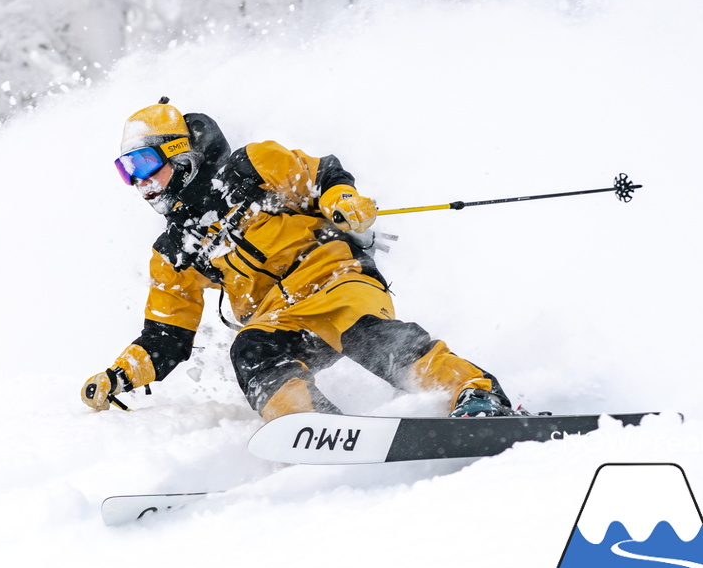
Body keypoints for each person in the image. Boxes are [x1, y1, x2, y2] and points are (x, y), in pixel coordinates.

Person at [80, 98, 513, 420]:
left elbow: (322, 175)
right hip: (281, 316)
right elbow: (166, 337)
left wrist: (343, 200)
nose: (140, 182)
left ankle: (475, 393)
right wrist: (119, 375)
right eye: (126, 171)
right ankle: (313, 425)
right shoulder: (175, 251)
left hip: (335, 278)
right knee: (251, 348)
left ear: (181, 155)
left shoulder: (249, 169)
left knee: (365, 336)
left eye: (143, 163)